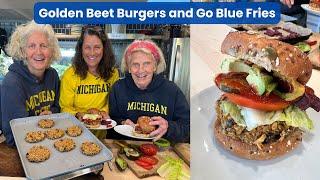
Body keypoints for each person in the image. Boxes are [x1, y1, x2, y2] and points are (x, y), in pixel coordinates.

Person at [108, 40, 190, 143]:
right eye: (135, 64)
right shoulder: (118, 89)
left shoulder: (171, 91)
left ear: (155, 66)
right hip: (125, 149)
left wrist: (168, 127)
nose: (141, 70)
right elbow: (111, 122)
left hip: (162, 151)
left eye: (146, 64)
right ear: (129, 67)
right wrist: (122, 122)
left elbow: (188, 128)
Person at [1, 21, 61, 146]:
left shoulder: (53, 75)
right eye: (32, 46)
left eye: (44, 45)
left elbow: (57, 108)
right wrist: (40, 120)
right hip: (22, 149)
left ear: (51, 51)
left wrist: (51, 114)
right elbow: (14, 135)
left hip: (51, 141)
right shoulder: (12, 83)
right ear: (22, 51)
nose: (38, 52)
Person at [59, 25, 119, 140]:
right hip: (74, 135)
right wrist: (79, 115)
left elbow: (112, 103)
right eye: (87, 47)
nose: (92, 53)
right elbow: (64, 108)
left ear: (104, 49)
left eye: (97, 47)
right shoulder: (70, 75)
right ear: (81, 49)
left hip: (103, 137)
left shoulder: (113, 74)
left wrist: (103, 113)